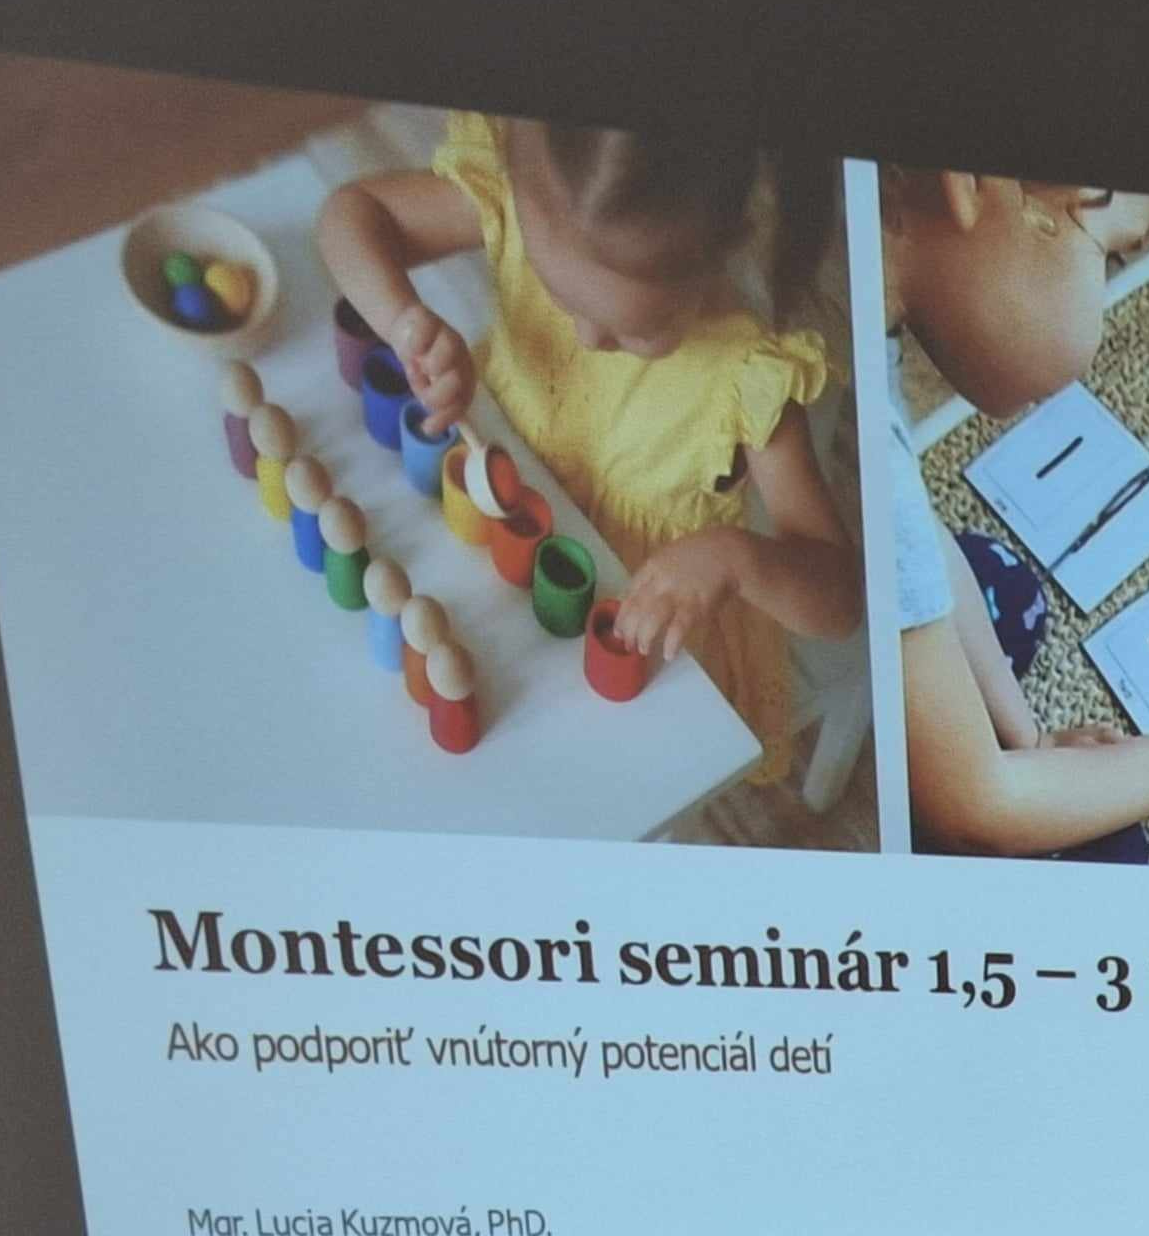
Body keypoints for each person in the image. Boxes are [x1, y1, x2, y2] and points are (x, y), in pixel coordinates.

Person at [319, 114, 863, 782]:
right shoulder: (523, 199)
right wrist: (406, 324)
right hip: (487, 555)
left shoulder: (746, 381)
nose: (586, 338)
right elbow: (351, 215)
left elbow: (840, 603)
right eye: (557, 293)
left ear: (720, 253)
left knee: (597, 785)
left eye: (637, 331)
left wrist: (738, 559)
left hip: (630, 631)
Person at [880, 168, 1149, 857]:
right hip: (800, 720)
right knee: (1111, 854)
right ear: (969, 184)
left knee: (1001, 588)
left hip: (815, 619)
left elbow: (921, 545)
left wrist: (1029, 740)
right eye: (1108, 255)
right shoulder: (858, 455)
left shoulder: (848, 296)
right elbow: (973, 810)